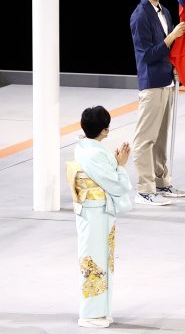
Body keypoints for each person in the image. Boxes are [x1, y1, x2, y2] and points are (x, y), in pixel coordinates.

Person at [66, 105, 134, 328]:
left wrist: (113, 162)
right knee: (94, 259)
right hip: (95, 211)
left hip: (95, 209)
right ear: (105, 131)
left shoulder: (84, 147)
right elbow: (114, 183)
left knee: (101, 257)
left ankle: (100, 310)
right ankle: (89, 314)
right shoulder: (95, 152)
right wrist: (121, 166)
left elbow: (103, 172)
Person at [129, 0, 185, 206]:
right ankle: (145, 189)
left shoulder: (163, 12)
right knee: (146, 138)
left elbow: (168, 52)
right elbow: (146, 56)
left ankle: (162, 183)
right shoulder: (139, 16)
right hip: (151, 83)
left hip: (166, 81)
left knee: (162, 136)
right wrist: (171, 36)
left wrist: (176, 67)